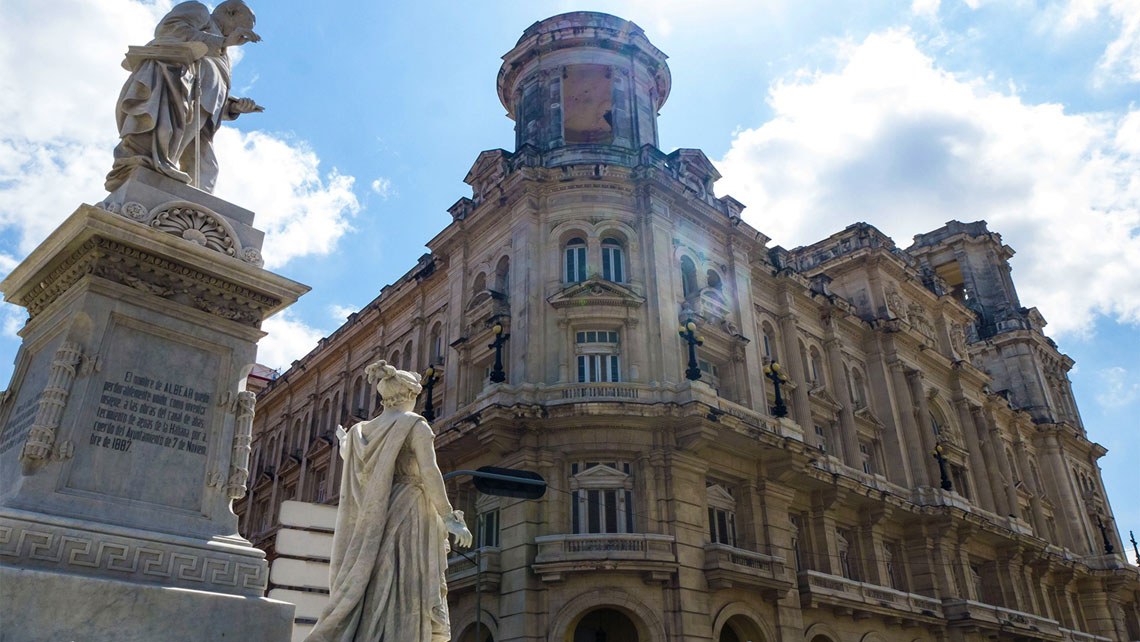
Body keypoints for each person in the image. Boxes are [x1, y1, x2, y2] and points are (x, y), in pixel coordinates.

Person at [306, 361, 472, 642]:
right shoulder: (414, 424)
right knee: (406, 581)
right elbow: (429, 471)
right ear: (410, 395)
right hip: (410, 508)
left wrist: (348, 446)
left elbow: (363, 469)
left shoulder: (359, 432)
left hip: (374, 516)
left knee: (378, 577)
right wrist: (448, 516)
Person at [105, 0, 262, 193]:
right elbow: (169, 29)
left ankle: (195, 211)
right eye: (242, 28)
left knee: (204, 168)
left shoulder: (225, 52)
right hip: (182, 93)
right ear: (230, 12)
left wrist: (233, 106)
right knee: (164, 150)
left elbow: (213, 79)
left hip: (206, 106)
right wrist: (222, 42)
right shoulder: (200, 11)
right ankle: (154, 185)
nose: (240, 36)